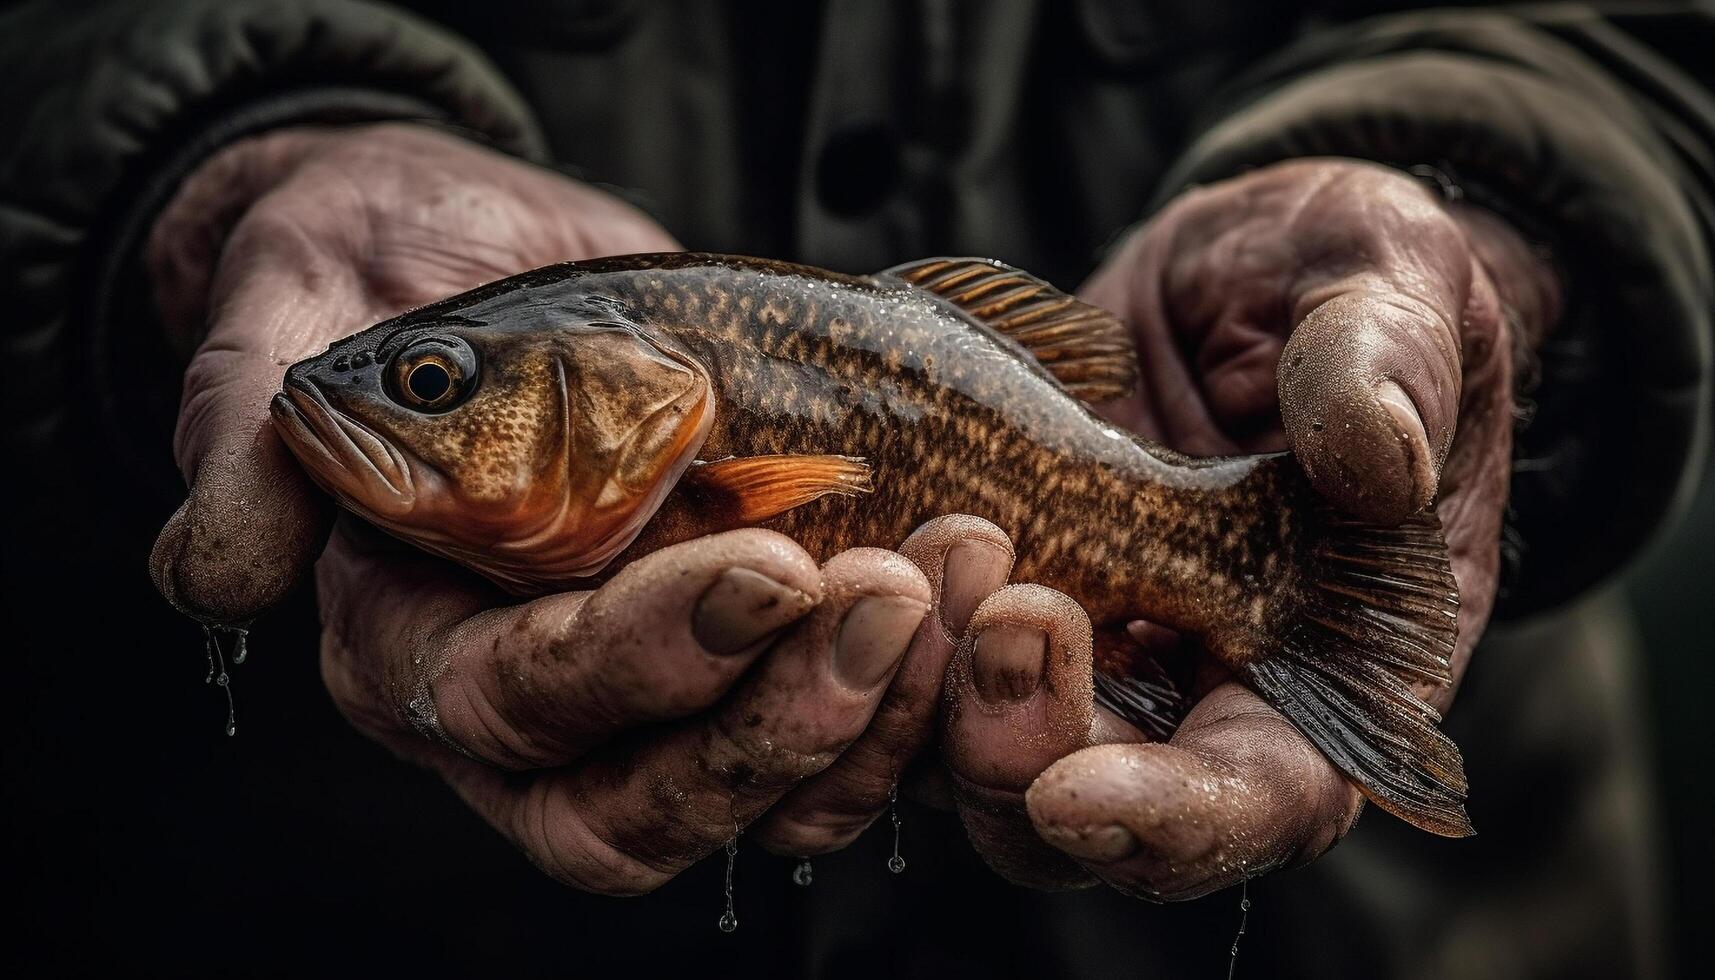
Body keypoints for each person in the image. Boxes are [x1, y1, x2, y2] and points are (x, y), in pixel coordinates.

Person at [2, 1, 1708, 976]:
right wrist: (216, 163)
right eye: (421, 384)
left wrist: (1489, 220)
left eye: (435, 384)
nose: (372, 403)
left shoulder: (701, 465)